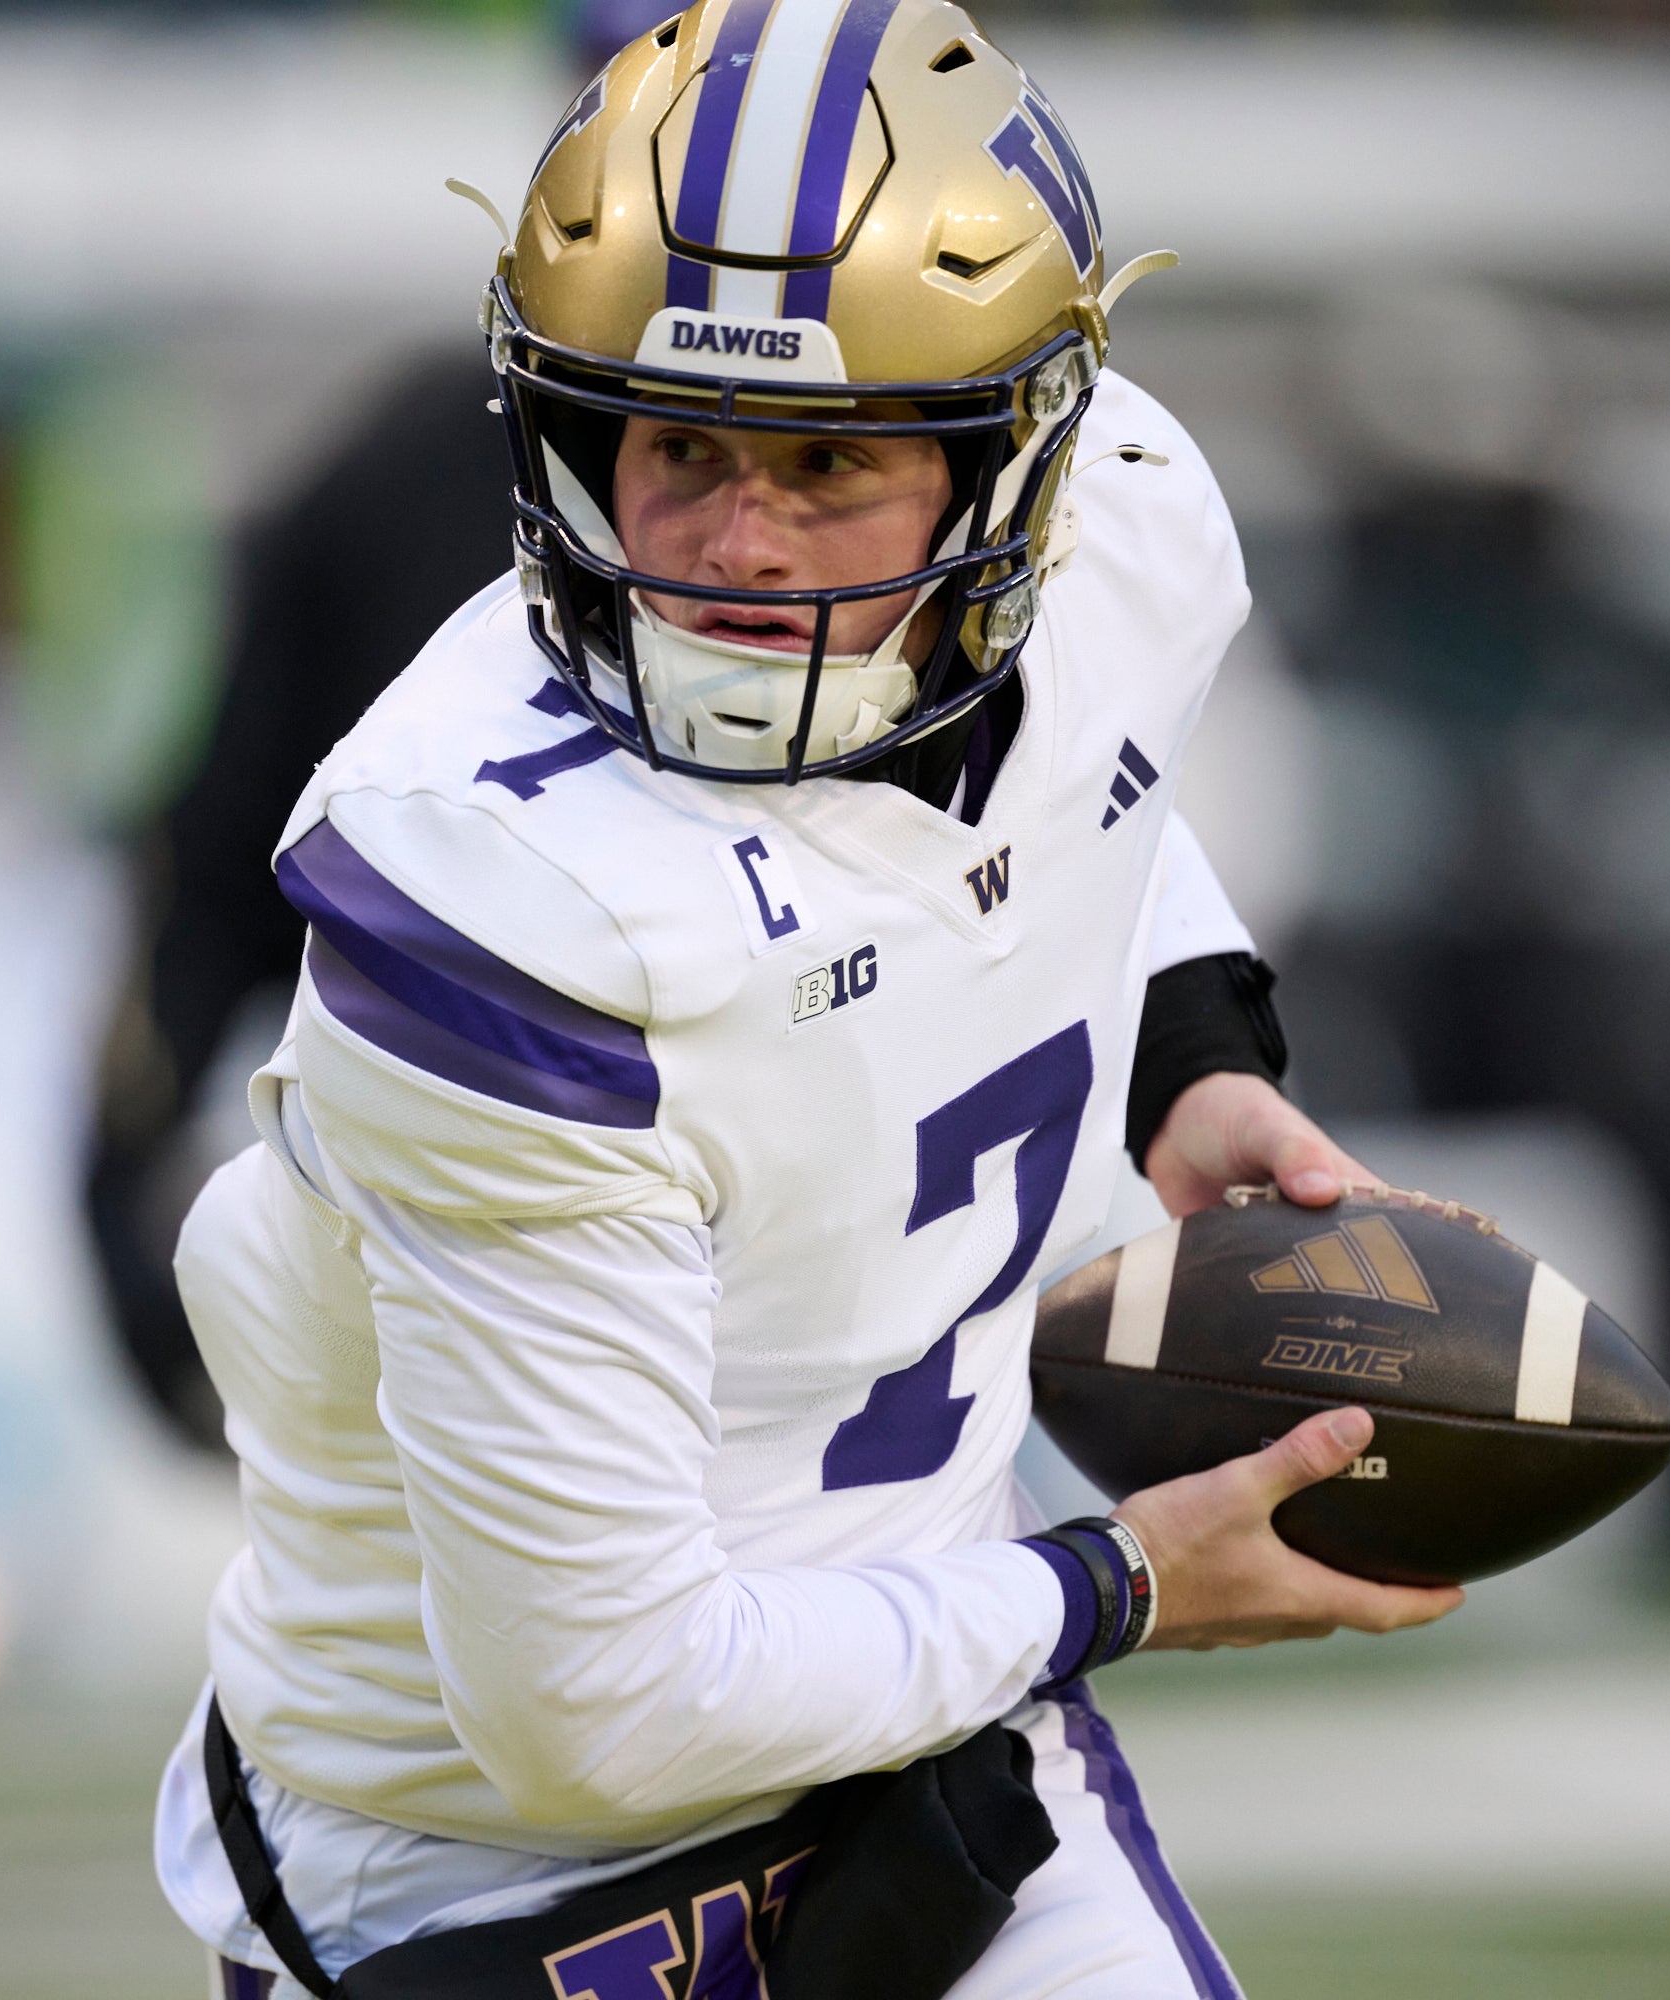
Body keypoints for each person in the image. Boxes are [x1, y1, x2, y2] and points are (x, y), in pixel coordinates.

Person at [154, 6, 1460, 1994]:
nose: (738, 549)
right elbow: (603, 1706)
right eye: (679, 447)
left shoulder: (1126, 527)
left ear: (1013, 476)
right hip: (479, 1872)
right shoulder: (502, 902)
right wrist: (1119, 1583)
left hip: (929, 1719)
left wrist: (1189, 1055)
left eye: (831, 461)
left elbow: (1083, 782)